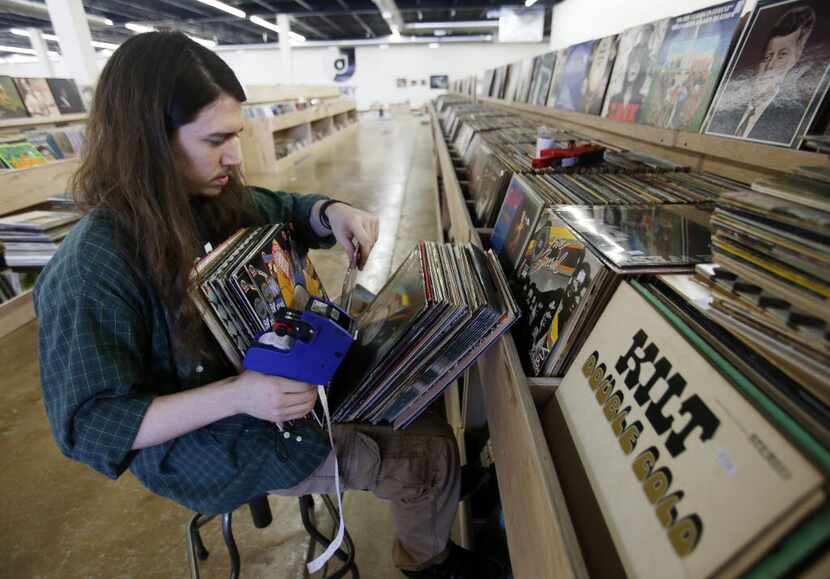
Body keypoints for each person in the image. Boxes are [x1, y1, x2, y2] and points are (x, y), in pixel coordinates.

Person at [34, 32, 496, 579]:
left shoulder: (200, 198)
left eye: (236, 135)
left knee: (417, 390)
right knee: (424, 455)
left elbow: (283, 209)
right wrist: (239, 395)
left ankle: (436, 491)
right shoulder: (92, 266)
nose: (234, 156)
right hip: (210, 440)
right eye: (215, 140)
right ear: (149, 140)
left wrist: (332, 212)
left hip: (267, 387)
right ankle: (428, 560)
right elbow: (92, 424)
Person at [706, 5, 817, 144]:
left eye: (782, 55)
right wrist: (754, 102)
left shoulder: (796, 116)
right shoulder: (730, 104)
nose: (770, 65)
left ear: (797, 56)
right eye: (768, 56)